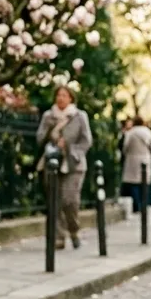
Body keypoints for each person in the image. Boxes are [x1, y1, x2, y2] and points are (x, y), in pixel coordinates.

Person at [35, 85, 93, 250]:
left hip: (73, 164)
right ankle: (58, 238)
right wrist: (50, 134)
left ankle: (74, 230)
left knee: (70, 200)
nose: (60, 98)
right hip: (52, 162)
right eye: (58, 95)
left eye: (64, 95)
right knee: (54, 202)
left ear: (71, 98)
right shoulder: (48, 116)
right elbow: (39, 138)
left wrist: (69, 147)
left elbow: (86, 140)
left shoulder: (79, 116)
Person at [121, 117, 151, 216]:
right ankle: (144, 204)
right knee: (144, 183)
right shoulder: (148, 132)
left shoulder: (130, 133)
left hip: (132, 160)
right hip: (145, 159)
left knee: (134, 183)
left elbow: (125, 147)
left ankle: (137, 205)